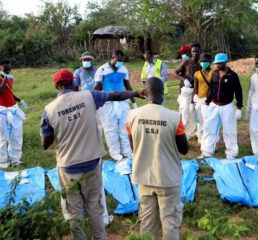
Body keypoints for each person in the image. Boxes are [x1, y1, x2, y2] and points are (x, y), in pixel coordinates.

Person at [40, 69, 145, 239]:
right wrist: (135, 93)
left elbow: (46, 143)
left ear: (57, 86)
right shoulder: (89, 97)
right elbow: (114, 95)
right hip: (91, 163)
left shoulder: (49, 110)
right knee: (94, 206)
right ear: (73, 83)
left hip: (68, 167)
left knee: (74, 210)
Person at [126, 77, 189, 240]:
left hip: (144, 176)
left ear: (145, 93)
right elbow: (184, 149)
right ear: (163, 93)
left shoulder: (131, 116)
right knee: (170, 223)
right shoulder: (175, 117)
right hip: (168, 178)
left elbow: (134, 147)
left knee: (147, 222)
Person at [94, 50, 137, 161]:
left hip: (122, 101)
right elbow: (97, 88)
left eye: (122, 61)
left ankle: (127, 151)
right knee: (110, 129)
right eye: (118, 61)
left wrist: (134, 103)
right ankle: (115, 152)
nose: (120, 63)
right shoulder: (102, 70)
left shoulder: (123, 69)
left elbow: (128, 86)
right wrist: (94, 103)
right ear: (112, 58)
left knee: (124, 127)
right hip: (107, 103)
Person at [199, 53, 243, 159]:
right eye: (216, 63)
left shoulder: (232, 75)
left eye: (219, 63)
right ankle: (207, 151)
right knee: (209, 128)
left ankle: (231, 153)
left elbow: (238, 91)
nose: (217, 65)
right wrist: (208, 100)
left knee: (229, 131)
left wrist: (239, 107)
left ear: (225, 62)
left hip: (227, 106)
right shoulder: (214, 74)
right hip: (214, 105)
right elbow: (211, 88)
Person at [0, 60, 28, 168]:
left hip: (13, 109)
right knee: (2, 137)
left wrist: (19, 100)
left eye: (9, 69)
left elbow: (9, 91)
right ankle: (2, 161)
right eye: (5, 69)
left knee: (16, 136)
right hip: (2, 112)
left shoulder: (10, 79)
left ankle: (15, 159)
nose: (8, 70)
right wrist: (5, 78)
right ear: (0, 67)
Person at [175, 43, 202, 139]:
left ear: (200, 52)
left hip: (195, 93)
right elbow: (175, 72)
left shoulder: (200, 66)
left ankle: (194, 133)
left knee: (196, 114)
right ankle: (181, 137)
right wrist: (184, 80)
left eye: (196, 51)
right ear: (191, 52)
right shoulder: (186, 62)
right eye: (193, 51)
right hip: (186, 93)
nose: (195, 53)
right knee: (184, 115)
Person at [192, 53, 214, 142]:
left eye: (205, 61)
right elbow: (195, 87)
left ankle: (209, 138)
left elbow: (214, 87)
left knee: (208, 120)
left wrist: (210, 99)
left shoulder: (214, 73)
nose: (203, 63)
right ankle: (200, 137)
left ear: (209, 62)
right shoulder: (197, 74)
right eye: (202, 61)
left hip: (209, 100)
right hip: (199, 99)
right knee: (199, 119)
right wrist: (192, 101)